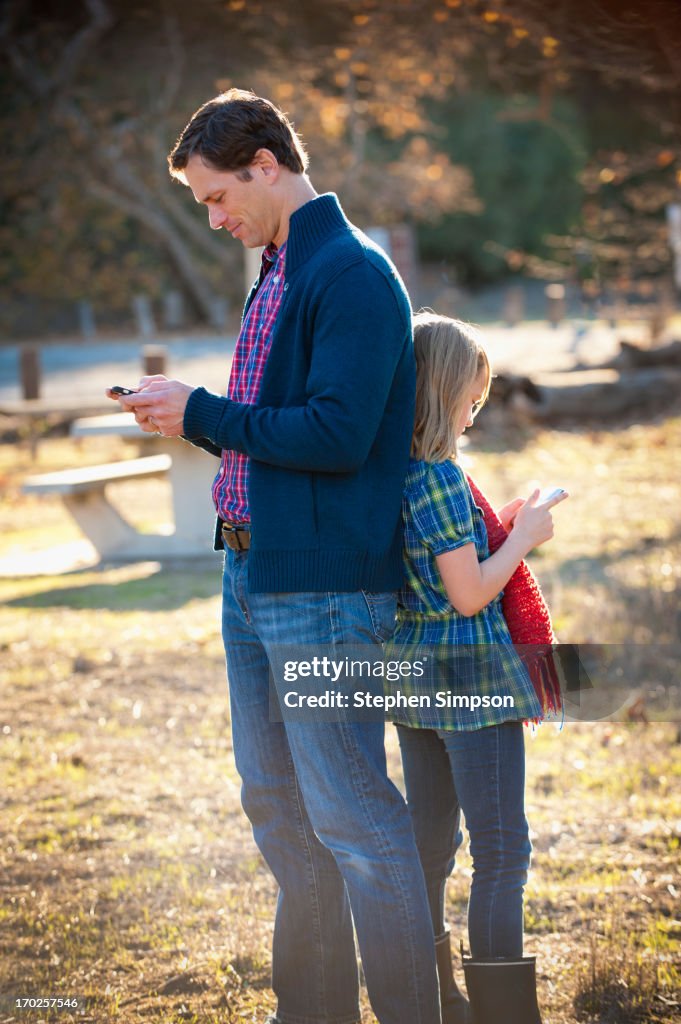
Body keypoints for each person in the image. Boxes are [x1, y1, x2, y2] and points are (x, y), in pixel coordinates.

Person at [108, 89, 442, 1024]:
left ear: (264, 165)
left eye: (218, 198)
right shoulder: (277, 266)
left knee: (354, 822)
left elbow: (337, 435)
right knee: (277, 811)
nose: (215, 220)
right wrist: (196, 418)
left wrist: (202, 413)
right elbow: (274, 434)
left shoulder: (351, 273)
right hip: (250, 569)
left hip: (326, 588)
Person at [386, 312, 568, 1024]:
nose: (473, 415)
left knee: (430, 844)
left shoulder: (398, 474)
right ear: (441, 395)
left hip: (414, 682)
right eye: (468, 401)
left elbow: (446, 570)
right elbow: (467, 595)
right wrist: (521, 537)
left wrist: (504, 526)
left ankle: (439, 1001)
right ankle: (502, 1014)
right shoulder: (435, 478)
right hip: (470, 683)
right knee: (500, 850)